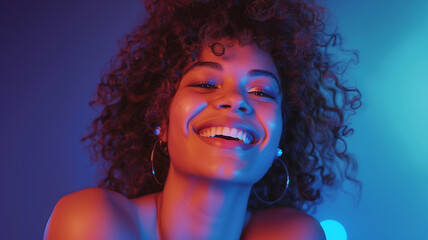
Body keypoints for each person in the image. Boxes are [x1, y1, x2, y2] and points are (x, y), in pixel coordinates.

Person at [44, 0, 361, 239]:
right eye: (206, 84)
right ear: (163, 122)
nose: (237, 100)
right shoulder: (90, 219)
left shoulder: (293, 234)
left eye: (262, 92)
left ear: (279, 138)